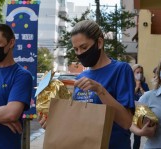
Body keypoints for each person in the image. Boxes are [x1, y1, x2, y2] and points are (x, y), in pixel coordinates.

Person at [39, 20, 135, 149]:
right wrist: (53, 123)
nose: (80, 53)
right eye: (76, 49)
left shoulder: (121, 70)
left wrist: (101, 91)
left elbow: (126, 122)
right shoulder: (81, 77)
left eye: (84, 47)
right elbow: (78, 121)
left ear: (99, 43)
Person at [131, 64, 149, 149]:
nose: (139, 74)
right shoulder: (129, 83)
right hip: (130, 111)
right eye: (137, 72)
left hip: (140, 112)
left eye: (141, 72)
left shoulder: (144, 85)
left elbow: (147, 97)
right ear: (133, 73)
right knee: (127, 133)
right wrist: (136, 87)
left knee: (137, 137)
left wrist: (141, 87)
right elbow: (129, 96)